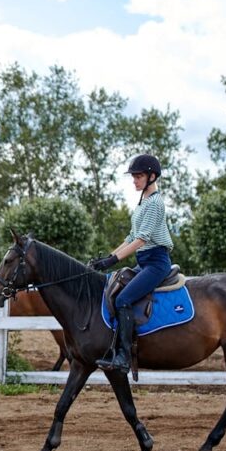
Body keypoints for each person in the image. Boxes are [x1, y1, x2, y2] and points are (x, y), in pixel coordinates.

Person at [89, 154, 174, 373]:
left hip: (156, 263)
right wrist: (107, 258)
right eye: (134, 177)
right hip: (144, 261)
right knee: (115, 291)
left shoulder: (155, 203)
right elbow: (130, 237)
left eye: (138, 176)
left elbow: (141, 239)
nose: (134, 181)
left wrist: (114, 260)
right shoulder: (142, 202)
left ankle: (124, 357)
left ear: (152, 176)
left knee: (124, 299)